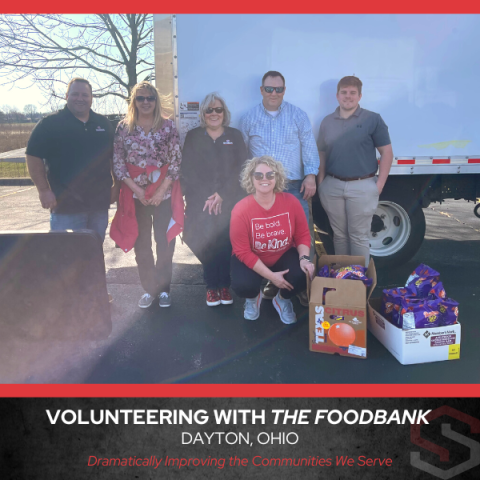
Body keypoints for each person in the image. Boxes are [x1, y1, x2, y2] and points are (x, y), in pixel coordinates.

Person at [239, 71, 319, 303]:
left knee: (302, 236)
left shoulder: (298, 115)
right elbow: (243, 155)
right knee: (265, 237)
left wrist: (311, 176)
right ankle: (271, 282)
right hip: (262, 189)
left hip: (294, 185)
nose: (274, 93)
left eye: (279, 89)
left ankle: (303, 286)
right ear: (261, 90)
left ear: (284, 90)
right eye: (269, 89)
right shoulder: (249, 118)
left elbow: (309, 147)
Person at [111, 81, 183, 309]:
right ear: (133, 101)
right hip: (136, 197)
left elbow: (176, 161)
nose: (145, 102)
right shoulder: (124, 127)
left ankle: (163, 290)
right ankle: (149, 289)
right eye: (140, 98)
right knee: (141, 245)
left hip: (163, 195)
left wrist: (160, 191)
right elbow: (118, 162)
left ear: (155, 100)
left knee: (164, 243)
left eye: (149, 98)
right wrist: (138, 191)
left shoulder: (168, 127)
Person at [26, 77, 117, 242]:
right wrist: (44, 190)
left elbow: (114, 157)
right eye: (75, 94)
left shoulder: (103, 124)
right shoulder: (50, 124)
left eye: (85, 95)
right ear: (66, 96)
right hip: (65, 206)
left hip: (99, 205)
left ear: (91, 98)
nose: (80, 98)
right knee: (66, 256)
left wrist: (116, 186)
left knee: (94, 252)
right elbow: (33, 156)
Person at [317, 76, 393, 267]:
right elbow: (322, 153)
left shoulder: (372, 119)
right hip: (332, 186)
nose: (348, 97)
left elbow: (387, 153)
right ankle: (343, 282)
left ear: (360, 96)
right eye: (344, 92)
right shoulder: (327, 122)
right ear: (337, 95)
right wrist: (321, 183)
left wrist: (379, 184)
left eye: (352, 93)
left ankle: (359, 286)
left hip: (362, 186)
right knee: (340, 236)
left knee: (358, 237)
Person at [230, 156, 315, 324]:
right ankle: (253, 299)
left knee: (303, 273)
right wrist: (271, 277)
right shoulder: (240, 209)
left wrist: (304, 259)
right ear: (251, 178)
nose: (265, 179)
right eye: (259, 175)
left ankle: (282, 299)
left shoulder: (291, 202)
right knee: (243, 284)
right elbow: (242, 251)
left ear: (277, 178)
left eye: (270, 175)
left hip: (282, 254)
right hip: (252, 257)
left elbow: (302, 235)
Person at [181, 93, 248, 307]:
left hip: (229, 200)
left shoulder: (235, 136)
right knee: (203, 241)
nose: (214, 113)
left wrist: (222, 195)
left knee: (225, 243)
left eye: (218, 109)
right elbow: (188, 170)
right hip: (201, 201)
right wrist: (208, 197)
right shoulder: (193, 136)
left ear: (224, 113)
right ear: (203, 113)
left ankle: (223, 286)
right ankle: (211, 285)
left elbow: (242, 169)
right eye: (209, 110)